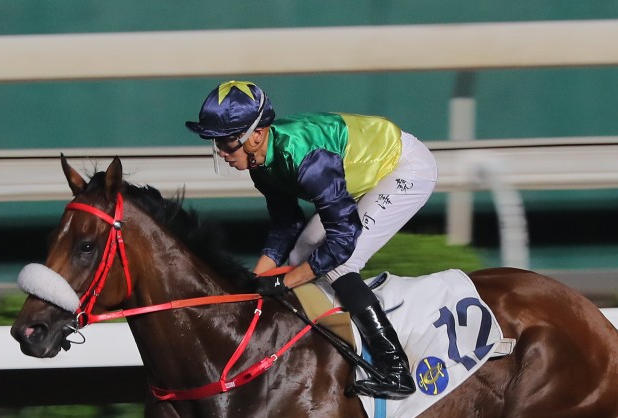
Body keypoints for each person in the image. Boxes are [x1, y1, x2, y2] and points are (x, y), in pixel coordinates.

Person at [185, 80, 439, 399]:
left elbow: (342, 240)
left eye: (226, 142)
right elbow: (285, 226)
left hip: (403, 168)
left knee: (339, 264)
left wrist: (285, 283)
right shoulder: (260, 164)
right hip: (358, 175)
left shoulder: (309, 161)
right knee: (299, 255)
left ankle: (396, 370)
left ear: (257, 135)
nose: (221, 152)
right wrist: (252, 284)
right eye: (215, 143)